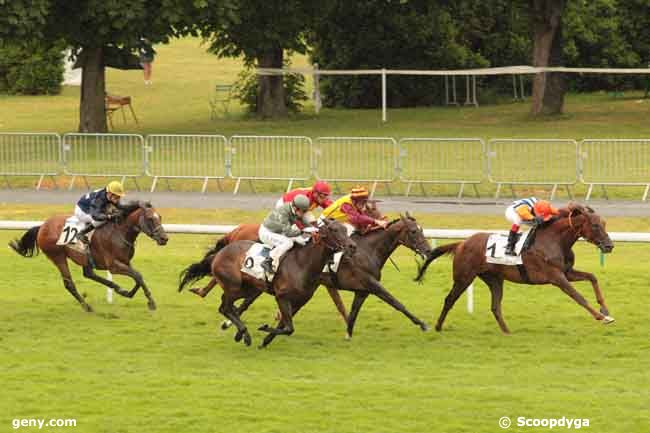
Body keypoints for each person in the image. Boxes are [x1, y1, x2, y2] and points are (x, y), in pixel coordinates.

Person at [258, 194, 313, 273]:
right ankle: (268, 261)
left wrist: (314, 229)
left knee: (301, 241)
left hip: (278, 231)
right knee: (288, 243)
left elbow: (305, 222)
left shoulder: (296, 209)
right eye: (303, 211)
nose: (304, 213)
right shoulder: (283, 212)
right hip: (267, 232)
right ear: (295, 208)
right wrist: (303, 231)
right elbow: (288, 233)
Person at [74, 181, 126, 245]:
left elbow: (121, 207)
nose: (118, 199)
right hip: (82, 210)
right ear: (110, 194)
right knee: (102, 220)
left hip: (91, 207)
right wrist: (110, 216)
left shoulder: (107, 195)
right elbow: (96, 216)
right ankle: (81, 233)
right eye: (117, 197)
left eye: (119, 197)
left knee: (112, 211)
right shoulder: (99, 199)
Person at [320, 186, 387, 235]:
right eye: (362, 202)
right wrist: (376, 221)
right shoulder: (346, 204)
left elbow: (360, 215)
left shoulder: (354, 200)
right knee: (346, 234)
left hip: (336, 222)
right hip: (324, 222)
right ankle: (339, 254)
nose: (364, 204)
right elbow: (357, 218)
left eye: (365, 202)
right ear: (355, 201)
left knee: (351, 229)